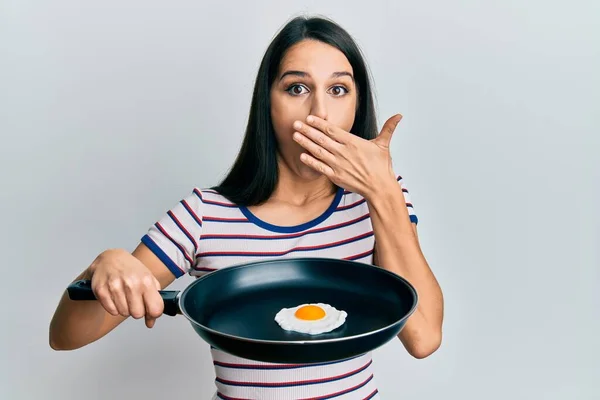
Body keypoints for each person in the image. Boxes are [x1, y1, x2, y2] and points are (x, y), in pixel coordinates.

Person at [49, 15, 444, 399]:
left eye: (338, 90)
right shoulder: (203, 215)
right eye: (297, 89)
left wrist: (384, 191)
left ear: (357, 105)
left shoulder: (377, 203)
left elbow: (424, 338)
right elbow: (65, 337)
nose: (319, 113)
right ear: (266, 103)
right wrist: (106, 265)